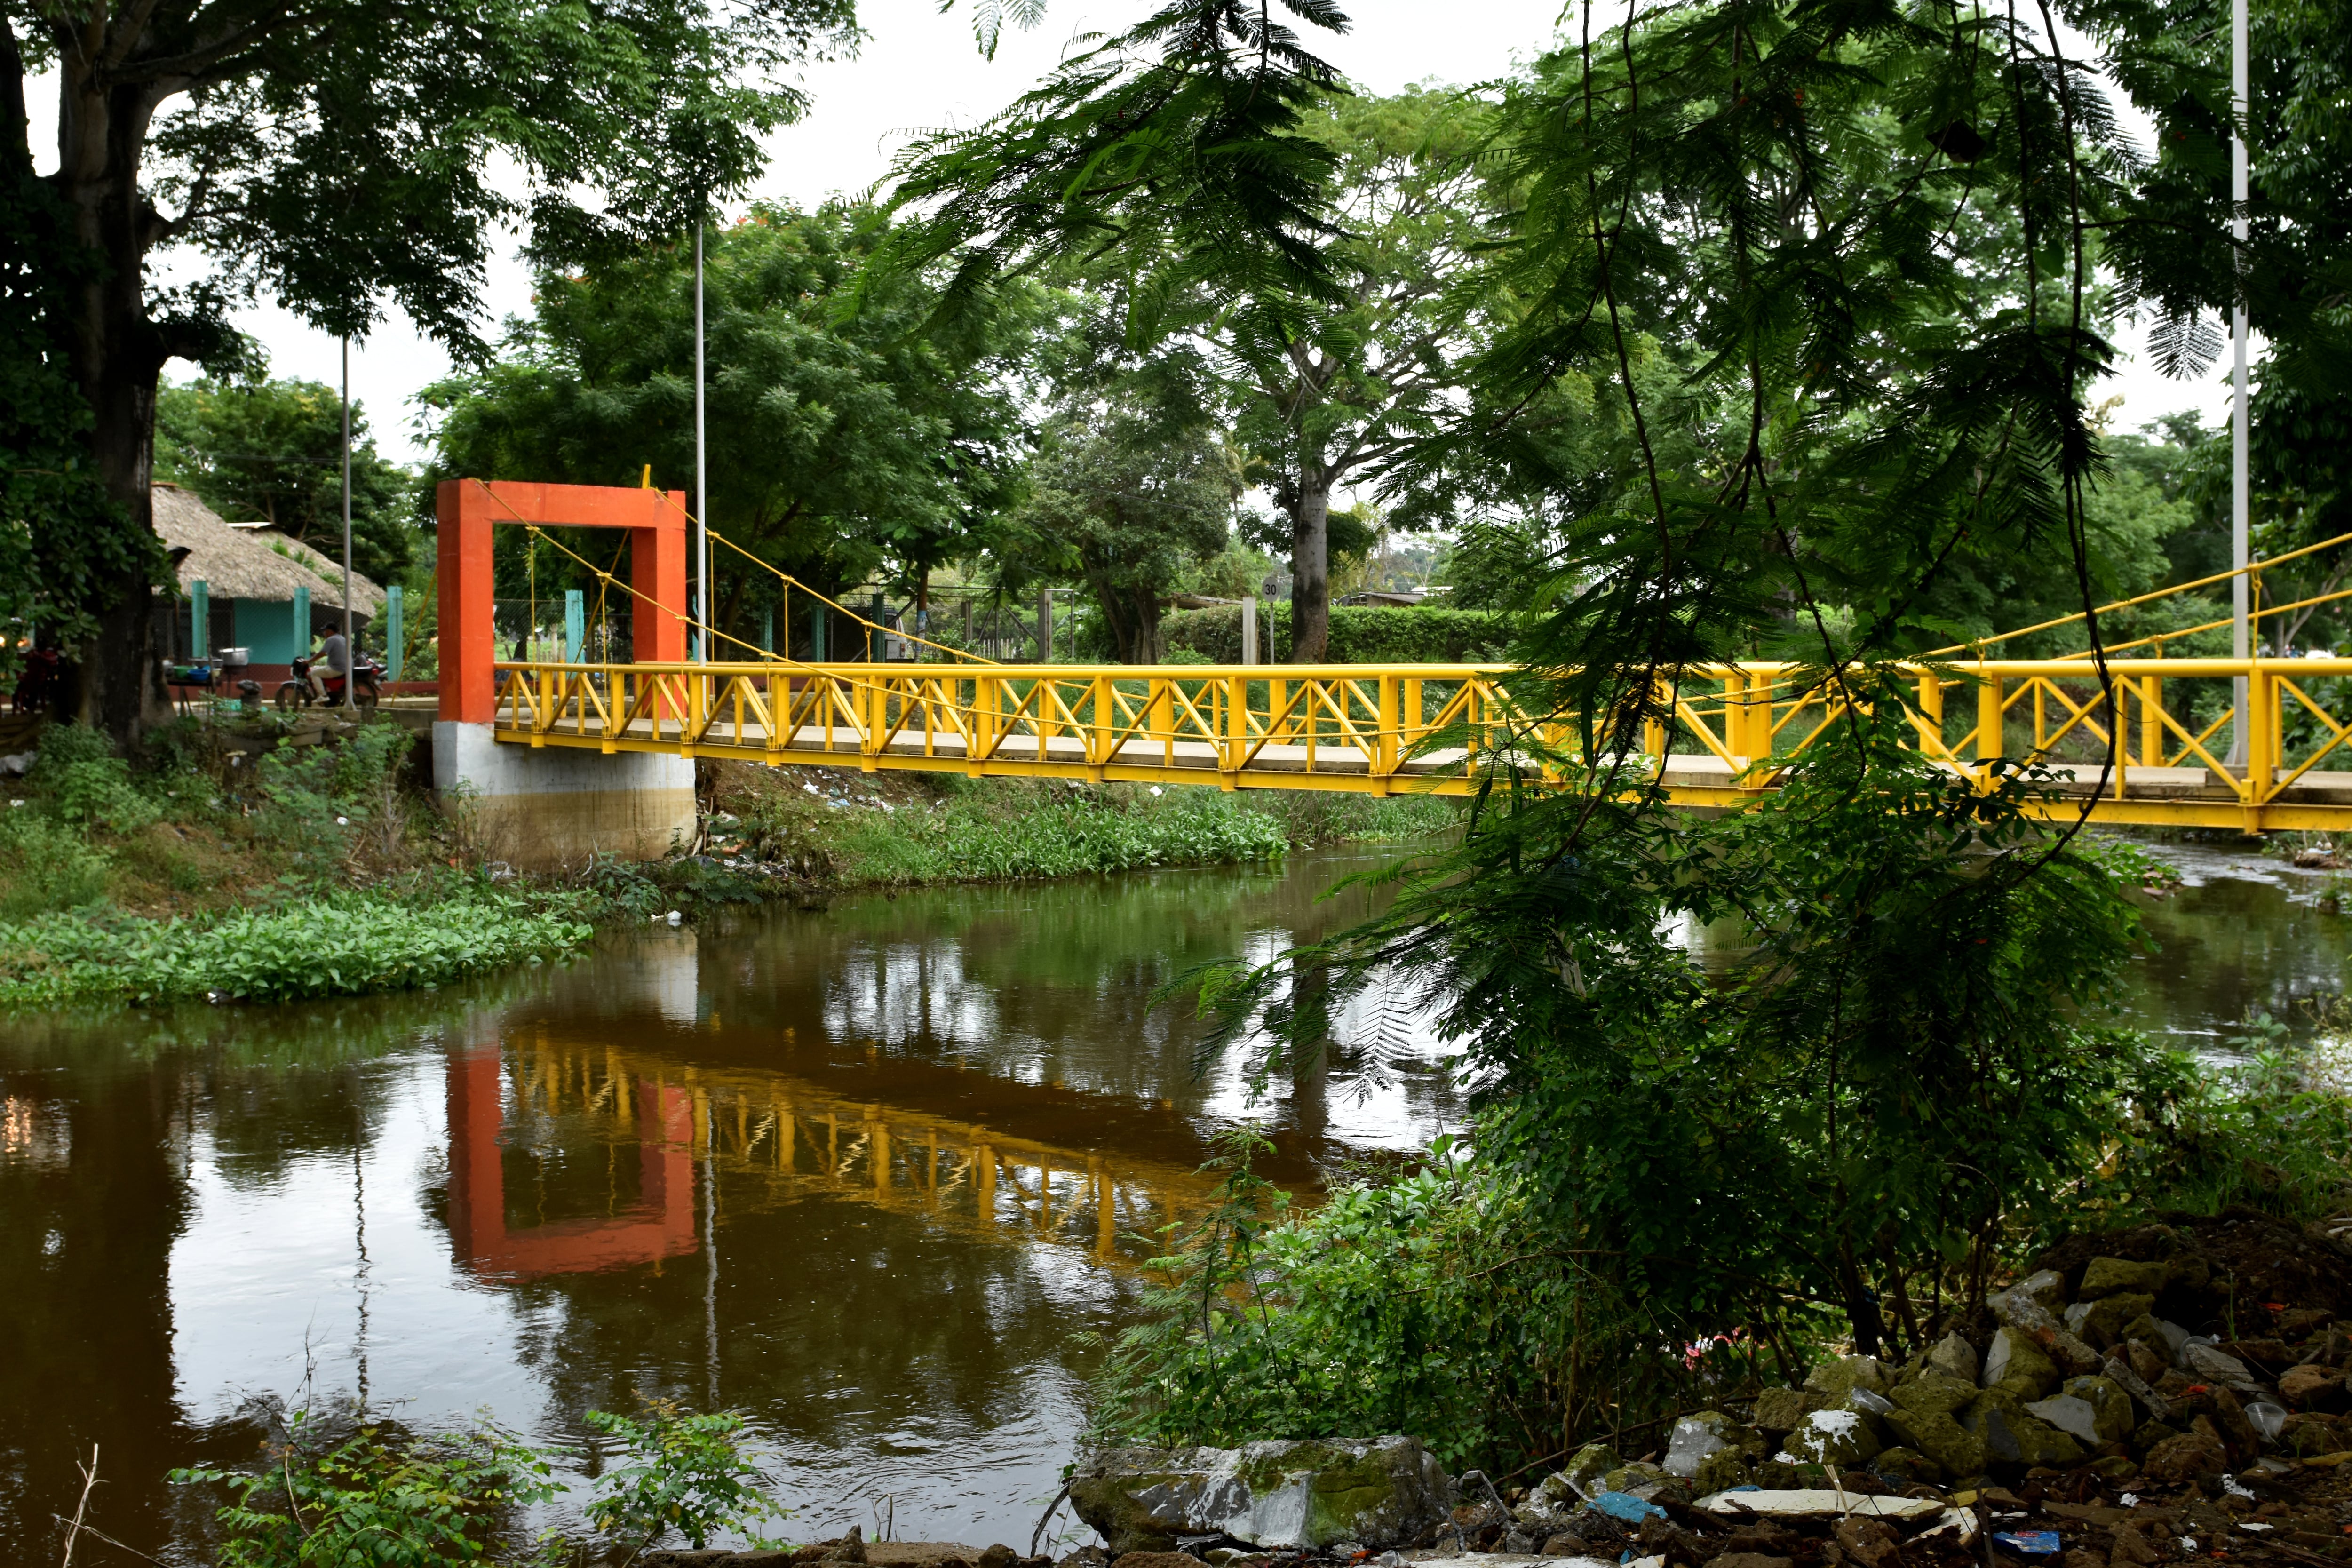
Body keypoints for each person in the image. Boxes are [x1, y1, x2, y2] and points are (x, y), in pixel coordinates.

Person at [307, 627, 350, 702]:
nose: (324, 633)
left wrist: (309, 661)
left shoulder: (331, 639)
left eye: (325, 631)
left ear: (330, 631)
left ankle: (323, 696)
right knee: (320, 669)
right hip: (347, 667)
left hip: (337, 669)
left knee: (314, 673)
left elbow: (322, 653)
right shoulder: (342, 638)